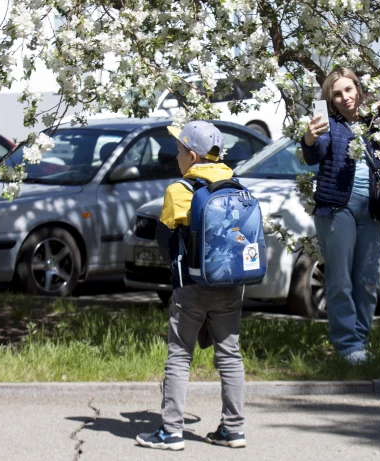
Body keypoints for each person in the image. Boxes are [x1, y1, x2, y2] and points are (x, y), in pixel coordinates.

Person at [136, 121, 246, 450]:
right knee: (230, 356)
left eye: (180, 150)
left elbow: (168, 235)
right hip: (230, 284)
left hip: (192, 287)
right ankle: (233, 429)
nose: (176, 155)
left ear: (194, 156)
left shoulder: (180, 190)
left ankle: (171, 431)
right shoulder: (236, 185)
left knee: (179, 355)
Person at [301, 67, 380, 364]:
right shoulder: (330, 125)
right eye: (337, 94)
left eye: (349, 90)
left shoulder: (372, 124)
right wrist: (309, 137)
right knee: (340, 281)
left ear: (358, 90)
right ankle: (347, 345)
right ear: (331, 100)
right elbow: (315, 155)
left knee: (368, 281)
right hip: (337, 209)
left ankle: (360, 342)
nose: (345, 97)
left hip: (372, 211)